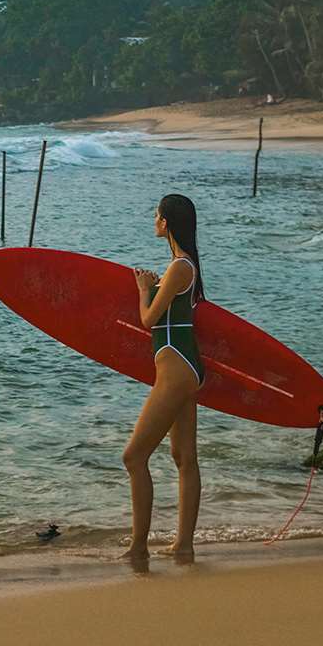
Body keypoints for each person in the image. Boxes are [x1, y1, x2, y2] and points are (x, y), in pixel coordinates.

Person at [122, 193, 206, 564]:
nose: (153, 220)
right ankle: (183, 546)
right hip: (185, 368)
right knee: (184, 457)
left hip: (175, 373)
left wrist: (143, 290)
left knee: (134, 457)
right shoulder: (183, 266)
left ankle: (139, 547)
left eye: (156, 216)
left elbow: (149, 320)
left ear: (166, 223)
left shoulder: (179, 268)